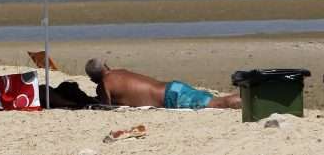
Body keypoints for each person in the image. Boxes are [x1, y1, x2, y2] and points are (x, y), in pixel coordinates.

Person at [85, 58, 241, 109]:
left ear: (93, 79)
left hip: (170, 98)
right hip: (172, 88)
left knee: (220, 103)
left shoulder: (104, 85)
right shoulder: (121, 72)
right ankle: (247, 97)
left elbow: (106, 106)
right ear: (107, 67)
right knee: (214, 100)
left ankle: (247, 100)